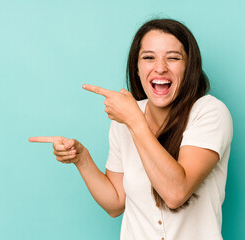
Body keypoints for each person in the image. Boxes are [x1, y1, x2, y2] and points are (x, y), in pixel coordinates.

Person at [29, 18, 233, 240]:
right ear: (136, 68)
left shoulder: (210, 112)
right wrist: (81, 158)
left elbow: (176, 193)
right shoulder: (124, 118)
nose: (160, 67)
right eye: (148, 57)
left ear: (189, 67)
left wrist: (135, 121)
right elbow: (116, 203)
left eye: (173, 58)